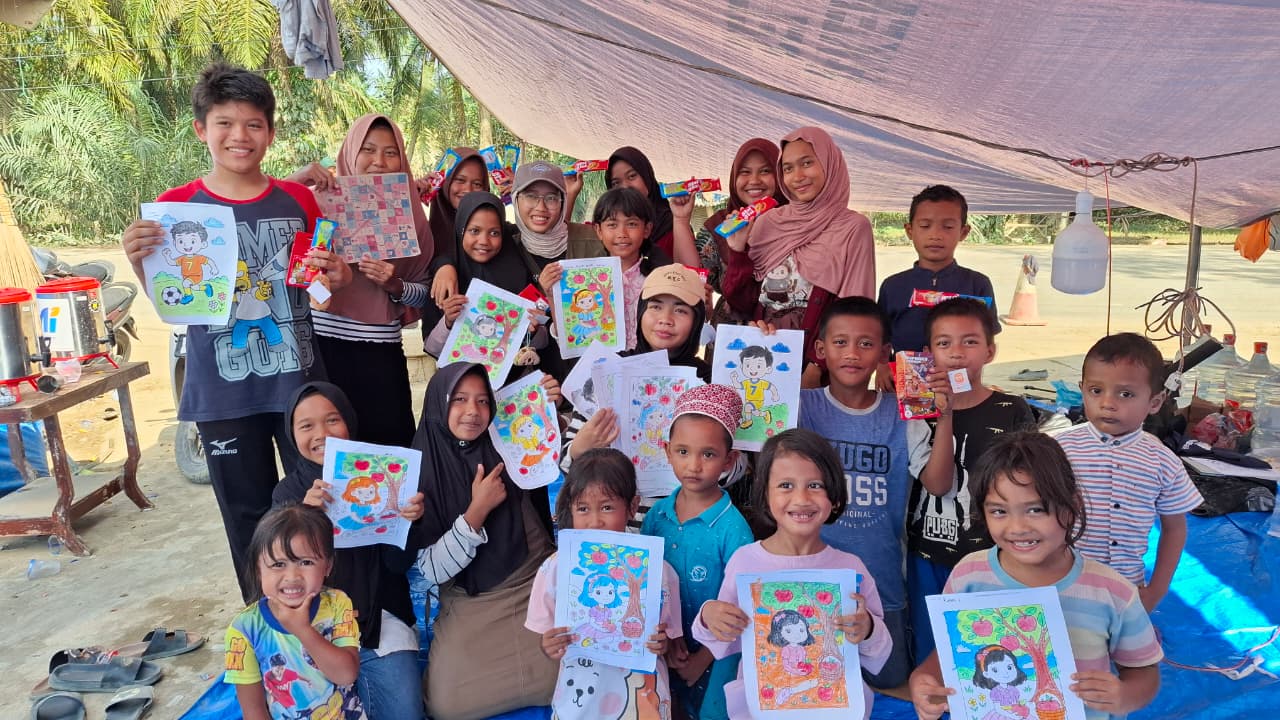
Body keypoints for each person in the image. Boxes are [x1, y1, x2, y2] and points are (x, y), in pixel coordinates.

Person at [121, 63, 351, 601]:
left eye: (253, 125)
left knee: (316, 503)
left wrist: (335, 279)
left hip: (298, 388)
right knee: (247, 516)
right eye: (225, 123)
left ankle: (327, 612)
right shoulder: (174, 211)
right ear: (202, 128)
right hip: (222, 393)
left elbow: (316, 287)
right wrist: (139, 265)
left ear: (270, 132)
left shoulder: (298, 202)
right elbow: (172, 305)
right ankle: (264, 623)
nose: (239, 137)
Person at [272, 381, 506, 718]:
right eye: (306, 425)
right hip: (311, 625)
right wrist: (302, 521)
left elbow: (397, 565)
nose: (322, 433)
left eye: (332, 420)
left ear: (349, 422)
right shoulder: (288, 493)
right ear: (291, 434)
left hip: (379, 620)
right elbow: (278, 573)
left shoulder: (380, 476)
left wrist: (407, 524)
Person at [909, 431, 1163, 720]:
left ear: (1072, 506)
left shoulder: (1113, 592)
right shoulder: (969, 575)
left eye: (1036, 509)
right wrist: (924, 678)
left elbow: (1144, 671)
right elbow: (947, 653)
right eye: (999, 511)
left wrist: (1125, 696)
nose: (1018, 527)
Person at [693, 429, 891, 718]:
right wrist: (709, 616)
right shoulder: (745, 561)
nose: (801, 498)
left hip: (833, 707)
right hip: (763, 708)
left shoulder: (851, 569)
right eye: (786, 485)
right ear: (765, 495)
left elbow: (879, 653)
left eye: (815, 485)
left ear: (834, 497)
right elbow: (724, 642)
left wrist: (868, 628)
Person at [410, 363, 561, 719]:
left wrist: (549, 413)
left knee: (579, 670)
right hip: (471, 600)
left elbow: (557, 461)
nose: (472, 412)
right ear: (438, 404)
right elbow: (431, 571)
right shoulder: (418, 470)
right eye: (459, 400)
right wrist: (476, 512)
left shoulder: (507, 448)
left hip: (532, 590)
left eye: (482, 401)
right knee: (447, 704)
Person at [796, 296, 929, 690]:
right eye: (839, 343)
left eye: (866, 344)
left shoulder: (903, 412)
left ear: (885, 353)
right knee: (813, 688)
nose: (852, 353)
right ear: (820, 350)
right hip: (810, 583)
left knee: (889, 689)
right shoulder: (797, 407)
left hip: (883, 583)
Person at [289, 114, 434, 447]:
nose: (379, 162)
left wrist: (394, 284)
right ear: (350, 153)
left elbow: (425, 296)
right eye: (368, 150)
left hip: (380, 355)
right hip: (323, 348)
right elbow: (294, 279)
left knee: (389, 451)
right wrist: (297, 180)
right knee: (329, 454)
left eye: (391, 152)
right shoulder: (315, 202)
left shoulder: (411, 213)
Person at [906, 297, 1035, 663]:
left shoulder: (1011, 409)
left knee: (986, 651)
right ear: (928, 353)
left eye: (970, 341)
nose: (956, 353)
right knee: (931, 652)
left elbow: (1028, 485)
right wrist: (943, 415)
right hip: (928, 552)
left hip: (992, 558)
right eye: (943, 343)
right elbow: (937, 485)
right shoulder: (916, 412)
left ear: (990, 351)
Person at [526, 448, 682, 719]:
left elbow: (668, 641)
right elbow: (545, 636)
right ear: (570, 509)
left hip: (641, 699)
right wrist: (548, 645)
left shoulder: (657, 570)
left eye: (607, 507)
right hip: (581, 700)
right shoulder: (555, 567)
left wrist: (662, 644)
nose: (595, 521)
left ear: (632, 506)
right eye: (583, 509)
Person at [1055, 333, 1203, 611]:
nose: (1108, 403)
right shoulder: (1057, 450)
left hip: (1125, 592)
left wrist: (1156, 590)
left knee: (1131, 653)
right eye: (1096, 390)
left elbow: (1174, 529)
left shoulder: (1162, 460)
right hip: (1061, 588)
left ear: (1155, 402)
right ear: (1082, 389)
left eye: (1126, 394)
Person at [720, 127, 875, 386]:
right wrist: (737, 252)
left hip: (817, 368)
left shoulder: (853, 227)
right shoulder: (768, 222)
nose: (797, 176)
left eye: (807, 163)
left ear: (829, 163)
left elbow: (853, 311)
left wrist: (816, 368)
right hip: (762, 359)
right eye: (788, 168)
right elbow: (742, 302)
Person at [640, 384, 755, 720]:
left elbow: (741, 606)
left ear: (728, 460)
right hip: (665, 650)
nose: (693, 465)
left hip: (718, 658)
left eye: (708, 454)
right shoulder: (656, 516)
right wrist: (670, 640)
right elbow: (648, 588)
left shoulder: (733, 530)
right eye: (683, 451)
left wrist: (704, 656)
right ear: (667, 451)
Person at [561, 264, 710, 471]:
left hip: (684, 502)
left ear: (697, 322)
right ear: (640, 312)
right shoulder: (608, 370)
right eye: (655, 307)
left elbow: (734, 467)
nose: (665, 319)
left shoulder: (708, 381)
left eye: (680, 310)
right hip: (616, 498)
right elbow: (565, 460)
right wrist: (579, 448)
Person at [224, 504, 365, 719]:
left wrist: (303, 630)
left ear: (327, 566)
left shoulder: (337, 603)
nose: (292, 576)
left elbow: (346, 675)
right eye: (278, 564)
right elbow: (254, 710)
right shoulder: (244, 630)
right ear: (258, 569)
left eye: (306, 562)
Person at [875, 185, 998, 390]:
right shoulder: (893, 286)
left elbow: (985, 341)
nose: (935, 235)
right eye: (925, 225)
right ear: (909, 230)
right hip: (905, 387)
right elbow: (880, 337)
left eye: (947, 227)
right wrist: (881, 366)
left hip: (960, 387)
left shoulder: (978, 284)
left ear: (964, 232)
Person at [421, 192, 550, 383]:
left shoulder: (518, 271)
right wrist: (448, 322)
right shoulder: (446, 279)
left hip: (513, 389)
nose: (484, 241)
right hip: (462, 388)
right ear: (460, 230)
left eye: (494, 233)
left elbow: (543, 342)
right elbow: (433, 348)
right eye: (474, 231)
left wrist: (533, 330)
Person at [541, 187, 674, 351]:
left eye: (632, 224)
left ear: (646, 229)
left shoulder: (660, 279)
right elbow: (569, 337)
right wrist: (551, 294)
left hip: (648, 367)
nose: (622, 233)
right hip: (600, 367)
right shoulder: (582, 279)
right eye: (612, 224)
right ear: (598, 230)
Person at [691, 138, 788, 333]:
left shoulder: (799, 225)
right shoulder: (720, 225)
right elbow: (695, 277)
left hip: (782, 336)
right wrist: (679, 218)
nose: (754, 180)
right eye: (744, 172)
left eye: (765, 171)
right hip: (728, 338)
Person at [563, 146, 696, 266]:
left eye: (632, 176)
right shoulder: (601, 227)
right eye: (616, 183)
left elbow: (690, 277)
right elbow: (560, 237)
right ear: (599, 231)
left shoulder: (673, 225)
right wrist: (570, 194)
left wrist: (680, 220)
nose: (625, 186)